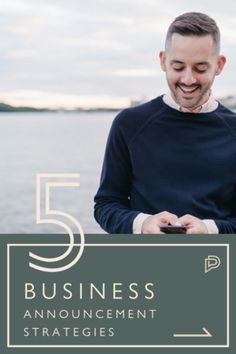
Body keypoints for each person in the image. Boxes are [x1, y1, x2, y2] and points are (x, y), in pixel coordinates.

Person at [94, 12, 236, 234]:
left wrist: (210, 229)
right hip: (145, 264)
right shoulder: (128, 124)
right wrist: (143, 224)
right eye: (178, 67)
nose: (188, 80)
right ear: (163, 61)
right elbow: (106, 205)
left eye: (200, 68)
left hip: (216, 263)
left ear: (219, 65)